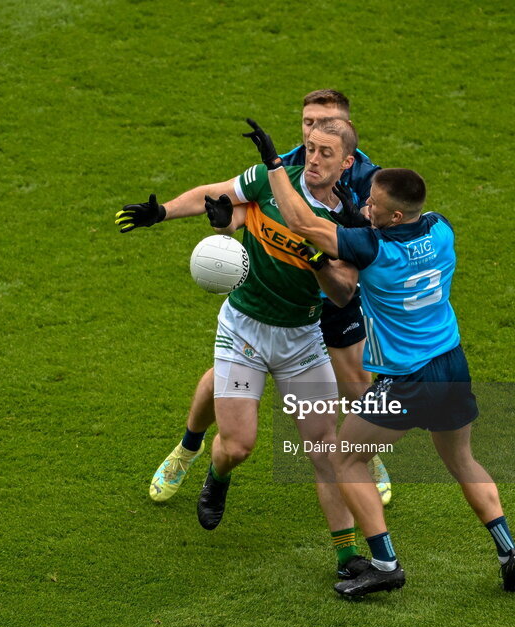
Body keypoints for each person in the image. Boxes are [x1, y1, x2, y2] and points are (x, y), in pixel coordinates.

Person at [242, 119, 515, 597]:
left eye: (375, 203)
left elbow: (302, 223)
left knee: (345, 457)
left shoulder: (374, 250)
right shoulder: (440, 229)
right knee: (462, 461)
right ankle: (509, 551)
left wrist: (276, 165)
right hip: (452, 365)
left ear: (394, 217)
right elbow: (376, 222)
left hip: (406, 379)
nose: (366, 205)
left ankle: (384, 563)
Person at [114, 118, 377, 579]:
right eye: (310, 148)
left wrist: (315, 260)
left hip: (303, 343)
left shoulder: (350, 225)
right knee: (238, 445)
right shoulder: (272, 181)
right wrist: (164, 213)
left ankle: (347, 555)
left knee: (323, 448)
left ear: (347, 163)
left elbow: (342, 293)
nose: (313, 159)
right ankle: (216, 477)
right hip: (244, 333)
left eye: (326, 154)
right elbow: (214, 196)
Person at [140, 89, 391, 508]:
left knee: (354, 381)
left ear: (348, 140)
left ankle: (363, 456)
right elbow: (245, 208)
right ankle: (189, 447)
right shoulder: (287, 165)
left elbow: (378, 239)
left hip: (330, 294)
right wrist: (212, 218)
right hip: (265, 302)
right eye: (308, 126)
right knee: (223, 386)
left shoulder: (369, 181)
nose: (314, 139)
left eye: (326, 129)